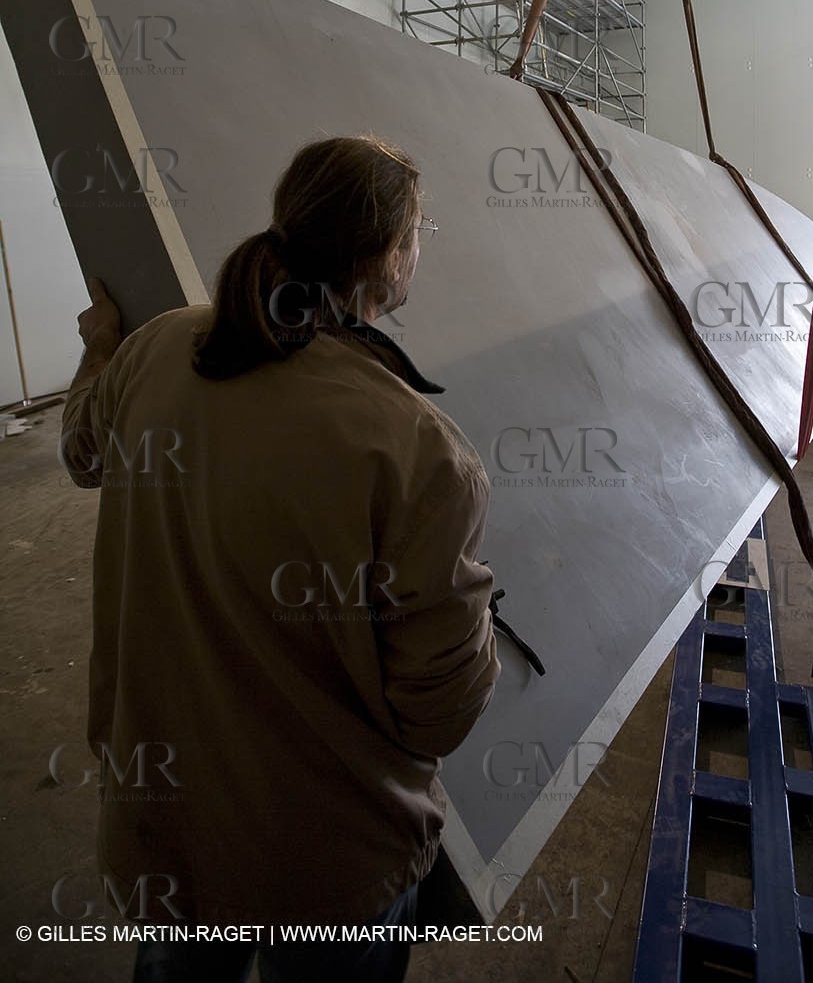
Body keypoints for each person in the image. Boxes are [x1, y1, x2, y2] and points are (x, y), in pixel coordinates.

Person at [61, 135, 500, 983]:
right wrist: (472, 606)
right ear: (387, 258)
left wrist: (99, 347)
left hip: (168, 829)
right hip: (331, 862)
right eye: (420, 232)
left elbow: (82, 455)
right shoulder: (420, 451)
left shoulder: (157, 348)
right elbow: (437, 717)